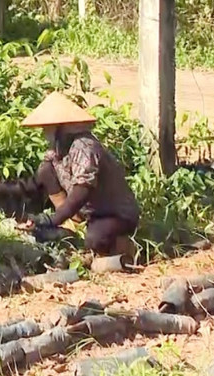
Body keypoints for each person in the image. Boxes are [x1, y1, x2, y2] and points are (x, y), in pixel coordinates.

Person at [19, 93, 140, 263]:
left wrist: (52, 219)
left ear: (61, 129)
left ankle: (124, 248)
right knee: (45, 170)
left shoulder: (84, 146)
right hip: (88, 212)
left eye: (48, 129)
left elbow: (82, 190)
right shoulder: (57, 151)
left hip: (114, 213)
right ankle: (73, 224)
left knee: (95, 239)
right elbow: (37, 181)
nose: (45, 134)